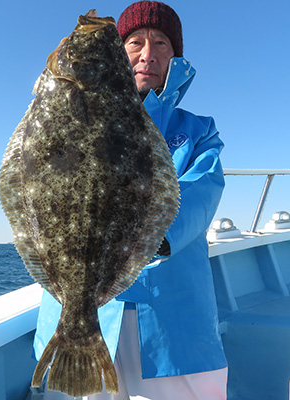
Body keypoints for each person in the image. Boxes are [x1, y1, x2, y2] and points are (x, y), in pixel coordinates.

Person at [33, 2, 227, 399]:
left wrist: (146, 238)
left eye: (161, 43)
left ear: (176, 57)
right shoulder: (70, 104)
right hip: (81, 316)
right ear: (117, 54)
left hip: (170, 325)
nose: (147, 53)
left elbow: (201, 192)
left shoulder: (197, 132)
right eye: (135, 42)